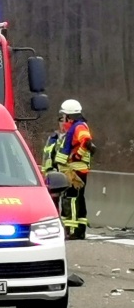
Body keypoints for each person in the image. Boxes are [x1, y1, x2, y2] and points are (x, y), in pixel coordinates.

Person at [54, 99, 94, 240]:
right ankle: (79, 229)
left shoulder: (78, 127)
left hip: (75, 170)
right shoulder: (75, 127)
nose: (63, 118)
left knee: (71, 199)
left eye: (64, 115)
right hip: (74, 170)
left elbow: (86, 141)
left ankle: (73, 230)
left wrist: (77, 155)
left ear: (69, 115)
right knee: (78, 199)